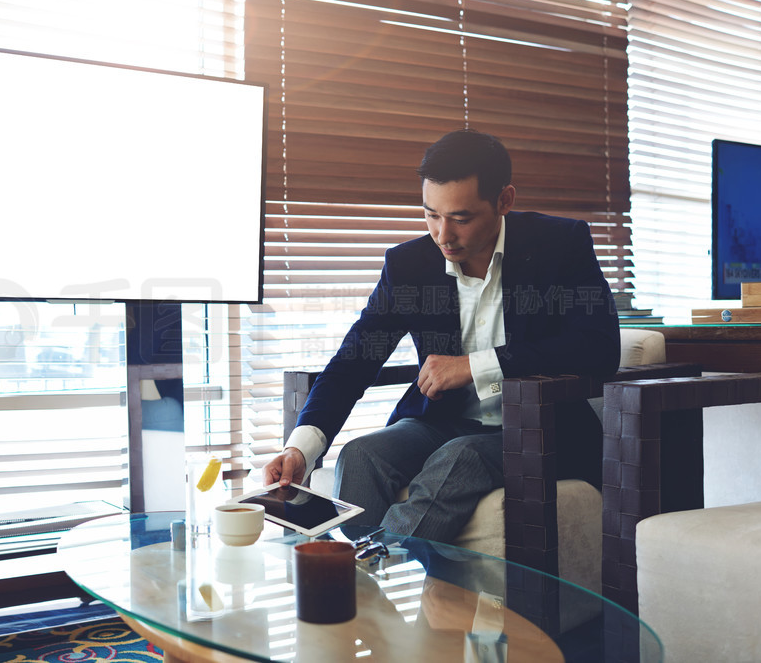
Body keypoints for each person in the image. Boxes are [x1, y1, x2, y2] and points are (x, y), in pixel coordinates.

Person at [262, 128, 621, 543]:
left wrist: (476, 366)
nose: (442, 235)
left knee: (458, 459)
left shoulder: (560, 245)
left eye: (460, 218)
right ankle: (360, 587)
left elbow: (599, 347)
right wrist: (299, 449)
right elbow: (355, 360)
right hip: (443, 421)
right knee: (361, 455)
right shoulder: (409, 265)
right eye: (431, 214)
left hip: (541, 430)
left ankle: (368, 564)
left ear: (504, 200)